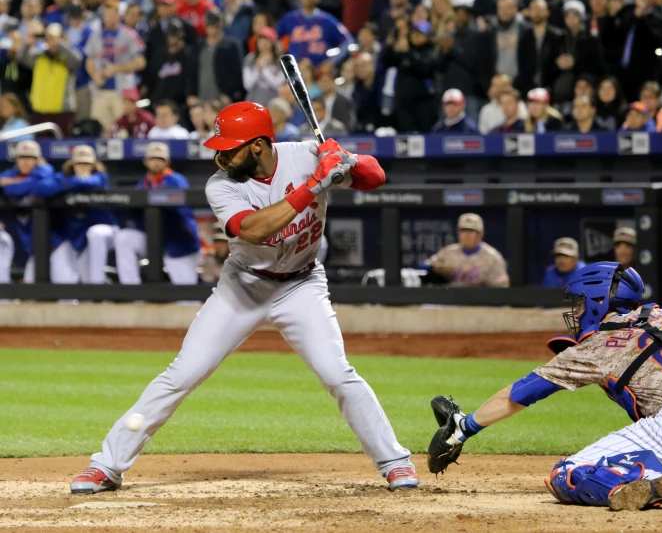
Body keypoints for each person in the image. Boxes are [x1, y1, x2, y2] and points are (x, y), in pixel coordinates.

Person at [70, 101, 420, 495]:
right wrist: (315, 185)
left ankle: (394, 462)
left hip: (301, 285)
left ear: (257, 146)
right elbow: (252, 230)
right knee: (182, 374)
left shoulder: (306, 157)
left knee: (338, 373)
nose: (220, 156)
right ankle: (107, 466)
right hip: (243, 286)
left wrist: (346, 160)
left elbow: (376, 178)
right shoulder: (220, 185)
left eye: (230, 147)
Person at [426, 262, 662, 511]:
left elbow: (522, 392)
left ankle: (635, 484)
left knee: (565, 475)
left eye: (580, 303)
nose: (576, 312)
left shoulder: (595, 346)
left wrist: (464, 428)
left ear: (599, 301)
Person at [111, 142, 200, 286]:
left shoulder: (176, 180)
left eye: (160, 159)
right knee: (124, 238)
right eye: (153, 158)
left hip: (178, 241)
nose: (156, 162)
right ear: (146, 161)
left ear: (167, 161)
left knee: (187, 295)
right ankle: (132, 290)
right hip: (153, 238)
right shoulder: (143, 184)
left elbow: (181, 214)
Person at [36, 145, 119, 285]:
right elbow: (42, 188)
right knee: (72, 279)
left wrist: (66, 184)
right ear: (72, 165)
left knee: (95, 234)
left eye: (87, 163)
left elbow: (92, 182)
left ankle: (98, 289)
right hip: (77, 238)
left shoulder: (101, 177)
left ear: (93, 165)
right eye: (79, 163)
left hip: (103, 233)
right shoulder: (63, 178)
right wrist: (71, 182)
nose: (83, 167)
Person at [0, 140, 69, 284]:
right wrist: (24, 184)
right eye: (21, 158)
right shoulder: (9, 173)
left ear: (37, 160)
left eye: (29, 158)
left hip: (58, 242)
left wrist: (16, 183)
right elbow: (7, 188)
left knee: (67, 288)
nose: (25, 162)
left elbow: (45, 188)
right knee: (32, 290)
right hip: (36, 246)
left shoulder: (46, 171)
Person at [85, 0, 146, 134]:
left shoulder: (129, 34)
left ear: (119, 15)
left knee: (122, 131)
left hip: (123, 90)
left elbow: (140, 62)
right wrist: (95, 75)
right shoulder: (95, 35)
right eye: (107, 14)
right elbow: (89, 61)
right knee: (101, 130)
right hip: (100, 90)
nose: (109, 17)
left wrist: (117, 68)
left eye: (113, 14)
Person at [18, 22, 82, 137]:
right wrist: (28, 43)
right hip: (40, 112)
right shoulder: (39, 57)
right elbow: (21, 58)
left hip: (62, 112)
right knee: (40, 147)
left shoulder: (67, 59)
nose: (50, 40)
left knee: (62, 148)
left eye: (53, 37)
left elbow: (77, 59)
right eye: (48, 37)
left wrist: (59, 44)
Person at [276, 0, 353, 67]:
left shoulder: (327, 20)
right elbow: (275, 37)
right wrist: (282, 56)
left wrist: (332, 61)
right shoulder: (289, 18)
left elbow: (347, 41)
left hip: (319, 71)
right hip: (295, 69)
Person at [423, 213, 509, 287]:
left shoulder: (493, 257)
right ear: (458, 233)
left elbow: (502, 286)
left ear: (480, 234)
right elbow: (423, 267)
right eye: (463, 230)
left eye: (471, 231)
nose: (466, 235)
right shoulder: (448, 252)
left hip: (480, 301)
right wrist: (436, 268)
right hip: (451, 300)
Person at [381, 20, 438, 133]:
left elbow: (424, 67)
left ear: (427, 36)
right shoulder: (406, 51)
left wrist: (407, 52)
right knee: (404, 137)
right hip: (403, 103)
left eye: (419, 34)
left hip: (423, 103)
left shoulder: (430, 51)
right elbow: (387, 62)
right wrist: (389, 46)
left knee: (425, 135)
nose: (415, 36)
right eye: (413, 33)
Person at [189, 8, 244, 106]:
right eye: (209, 24)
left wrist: (230, 94)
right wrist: (190, 94)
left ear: (221, 24)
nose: (212, 27)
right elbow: (191, 71)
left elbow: (237, 73)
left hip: (221, 100)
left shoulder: (231, 46)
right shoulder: (198, 46)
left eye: (214, 24)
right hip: (200, 100)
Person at [144, 18, 192, 109]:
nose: (172, 39)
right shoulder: (160, 54)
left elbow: (189, 79)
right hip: (159, 101)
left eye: (175, 35)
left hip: (179, 103)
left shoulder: (187, 54)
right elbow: (152, 77)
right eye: (171, 35)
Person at [242, 26, 284, 107]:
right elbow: (247, 85)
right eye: (261, 39)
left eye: (267, 39)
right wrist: (257, 70)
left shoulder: (280, 60)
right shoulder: (250, 59)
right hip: (252, 101)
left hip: (273, 103)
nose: (263, 42)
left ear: (273, 41)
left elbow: (277, 84)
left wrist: (264, 69)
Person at [315, 65, 356, 132]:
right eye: (321, 81)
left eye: (326, 81)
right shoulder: (315, 101)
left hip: (338, 135)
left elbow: (348, 124)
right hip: (318, 134)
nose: (323, 84)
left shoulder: (344, 101)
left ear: (333, 82)